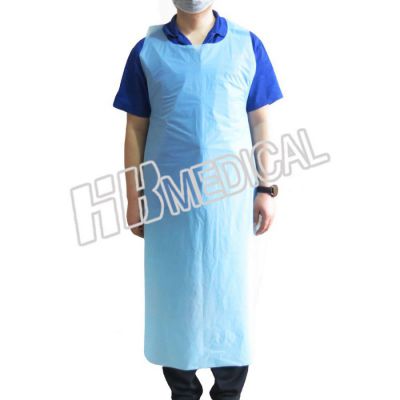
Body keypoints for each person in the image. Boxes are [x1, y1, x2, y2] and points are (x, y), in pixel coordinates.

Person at [113, 1, 283, 398]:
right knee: (176, 296)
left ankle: (228, 391)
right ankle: (183, 391)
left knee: (229, 294)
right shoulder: (148, 51)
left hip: (230, 201)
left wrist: (266, 187)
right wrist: (134, 195)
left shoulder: (246, 45)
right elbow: (135, 129)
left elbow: (260, 120)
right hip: (169, 199)